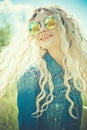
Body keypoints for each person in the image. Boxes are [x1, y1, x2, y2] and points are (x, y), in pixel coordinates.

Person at [0, 4, 87, 130]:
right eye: (35, 27)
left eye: (50, 22)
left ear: (65, 26)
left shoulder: (73, 74)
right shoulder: (31, 77)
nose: (42, 29)